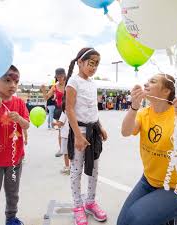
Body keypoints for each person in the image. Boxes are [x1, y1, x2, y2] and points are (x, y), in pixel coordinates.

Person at [117, 73, 177, 225]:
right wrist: (134, 106)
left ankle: (169, 213)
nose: (146, 84)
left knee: (136, 218)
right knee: (123, 223)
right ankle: (167, 215)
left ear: (166, 91)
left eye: (152, 82)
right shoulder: (144, 113)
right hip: (148, 181)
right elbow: (125, 132)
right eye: (147, 81)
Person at [0, 65, 30, 225]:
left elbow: (26, 125)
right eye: (7, 80)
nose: (13, 85)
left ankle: (11, 218)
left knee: (12, 193)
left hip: (14, 161)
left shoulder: (19, 103)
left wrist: (20, 119)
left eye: (16, 81)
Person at [65, 47, 108, 225]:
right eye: (91, 63)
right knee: (76, 171)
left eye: (96, 64)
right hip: (79, 133)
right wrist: (77, 136)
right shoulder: (73, 82)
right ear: (80, 62)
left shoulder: (92, 83)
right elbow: (69, 109)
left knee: (94, 170)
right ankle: (77, 206)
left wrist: (101, 127)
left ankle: (90, 202)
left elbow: (92, 109)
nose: (93, 67)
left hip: (93, 132)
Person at [41, 68, 66, 157]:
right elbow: (46, 97)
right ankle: (61, 149)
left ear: (64, 76)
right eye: (57, 77)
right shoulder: (55, 86)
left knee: (70, 130)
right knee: (61, 131)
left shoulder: (69, 84)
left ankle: (70, 148)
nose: (59, 78)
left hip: (69, 109)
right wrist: (43, 90)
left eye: (61, 76)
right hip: (59, 110)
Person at [52, 100, 70, 175]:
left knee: (65, 153)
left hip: (65, 135)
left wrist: (54, 123)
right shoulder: (72, 112)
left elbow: (61, 123)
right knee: (72, 152)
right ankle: (73, 166)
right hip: (71, 135)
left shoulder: (64, 112)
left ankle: (67, 167)